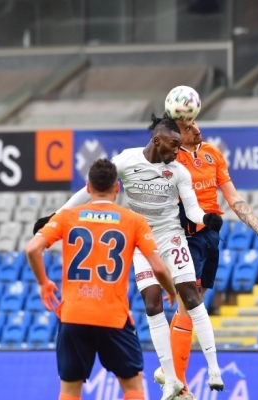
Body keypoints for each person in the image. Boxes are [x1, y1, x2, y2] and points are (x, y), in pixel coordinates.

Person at [38, 116, 226, 394]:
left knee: (191, 295)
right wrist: (56, 215)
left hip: (171, 237)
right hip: (142, 240)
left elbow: (193, 209)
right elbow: (89, 189)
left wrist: (206, 219)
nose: (178, 151)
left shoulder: (179, 171)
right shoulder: (127, 161)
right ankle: (171, 379)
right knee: (152, 303)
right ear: (157, 141)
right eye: (174, 145)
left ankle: (214, 369)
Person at [153, 102, 258, 398]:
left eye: (195, 123)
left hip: (211, 236)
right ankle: (179, 384)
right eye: (188, 126)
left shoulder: (213, 154)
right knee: (188, 305)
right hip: (185, 234)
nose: (196, 129)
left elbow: (233, 197)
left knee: (193, 304)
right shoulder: (170, 160)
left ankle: (168, 372)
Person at [26, 158, 181, 400]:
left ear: (88, 187)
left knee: (69, 391)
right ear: (117, 188)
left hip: (73, 316)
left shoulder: (68, 217)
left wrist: (43, 283)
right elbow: (159, 268)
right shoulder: (133, 221)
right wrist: (170, 290)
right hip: (113, 317)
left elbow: (33, 248)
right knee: (132, 387)